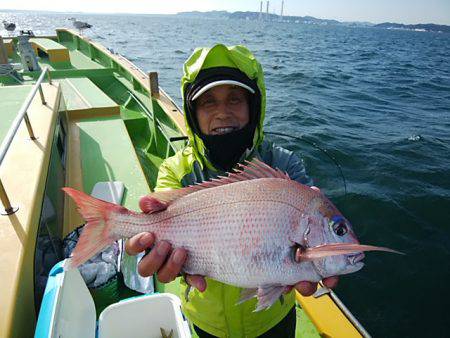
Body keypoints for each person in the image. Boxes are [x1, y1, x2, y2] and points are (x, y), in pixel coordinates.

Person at [125, 44, 338, 337]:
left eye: (235, 99)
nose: (222, 113)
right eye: (208, 102)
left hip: (272, 318)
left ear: (254, 108)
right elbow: (161, 216)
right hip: (208, 319)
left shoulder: (285, 165)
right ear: (192, 113)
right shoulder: (177, 171)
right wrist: (151, 245)